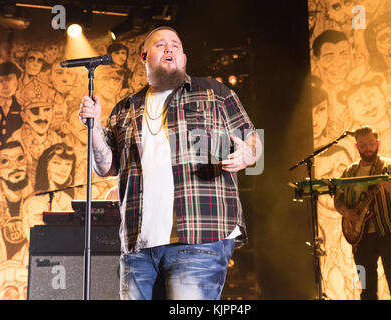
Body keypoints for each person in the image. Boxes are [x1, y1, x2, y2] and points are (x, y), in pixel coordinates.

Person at [78, 26, 262, 300]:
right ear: (144, 57)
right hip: (138, 246)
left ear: (184, 58)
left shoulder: (215, 94)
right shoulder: (126, 109)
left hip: (200, 236)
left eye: (175, 45)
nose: (169, 49)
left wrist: (247, 154)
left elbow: (252, 139)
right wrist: (93, 128)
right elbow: (106, 167)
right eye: (160, 45)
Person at [334, 126, 391, 300]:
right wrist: (346, 212)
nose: (367, 148)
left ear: (378, 143)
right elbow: (338, 199)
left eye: (371, 143)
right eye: (362, 145)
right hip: (360, 236)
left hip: (388, 230)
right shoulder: (349, 172)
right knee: (366, 288)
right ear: (356, 147)